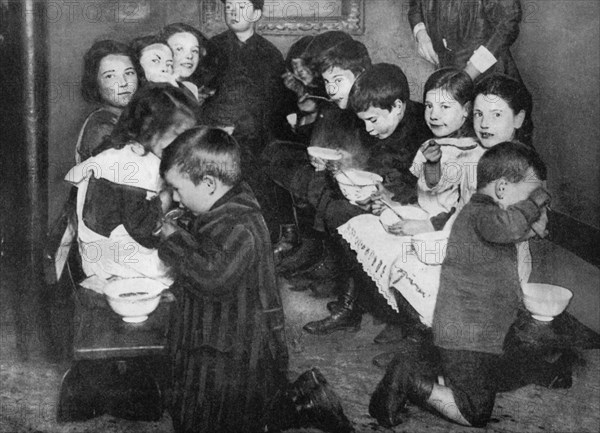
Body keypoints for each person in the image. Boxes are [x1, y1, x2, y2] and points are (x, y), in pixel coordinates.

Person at [368, 141, 577, 429]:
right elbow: (509, 227)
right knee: (475, 412)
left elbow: (512, 232)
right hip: (468, 334)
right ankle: (409, 380)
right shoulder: (480, 214)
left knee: (504, 361)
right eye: (529, 194)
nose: (535, 201)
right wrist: (535, 201)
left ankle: (458, 377)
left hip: (485, 327)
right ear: (502, 189)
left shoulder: (489, 219)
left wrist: (535, 227)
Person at [156, 126, 288, 432]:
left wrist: (173, 241)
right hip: (217, 335)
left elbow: (212, 276)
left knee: (216, 416)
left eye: (177, 189)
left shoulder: (241, 225)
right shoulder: (224, 205)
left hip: (236, 351)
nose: (174, 198)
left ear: (209, 184)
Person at [302, 63, 432, 335]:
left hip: (423, 214)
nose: (368, 129)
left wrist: (390, 197)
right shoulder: (380, 121)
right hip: (391, 203)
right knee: (336, 206)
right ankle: (355, 306)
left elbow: (426, 183)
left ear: (397, 107)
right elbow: (371, 167)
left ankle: (398, 320)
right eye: (363, 122)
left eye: (372, 120)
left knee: (345, 216)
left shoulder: (426, 126)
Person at [64, 84, 196, 289]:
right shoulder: (132, 167)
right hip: (115, 261)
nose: (186, 146)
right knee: (184, 271)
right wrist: (165, 200)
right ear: (147, 131)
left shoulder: (127, 151)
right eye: (179, 136)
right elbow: (143, 231)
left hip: (112, 245)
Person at [407, 0, 523, 81]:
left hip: (489, 75)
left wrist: (471, 71)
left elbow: (508, 24)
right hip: (445, 71)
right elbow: (415, 5)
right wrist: (421, 33)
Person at [76, 40, 139, 163]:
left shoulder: (130, 117)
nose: (123, 83)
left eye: (129, 73)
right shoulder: (101, 127)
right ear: (95, 82)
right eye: (110, 76)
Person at [474, 73, 533, 147]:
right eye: (479, 114)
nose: (483, 124)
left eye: (497, 115)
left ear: (518, 119)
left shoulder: (522, 158)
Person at [160, 22, 211, 103]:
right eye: (179, 49)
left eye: (194, 50)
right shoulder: (156, 94)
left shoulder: (192, 89)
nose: (190, 56)